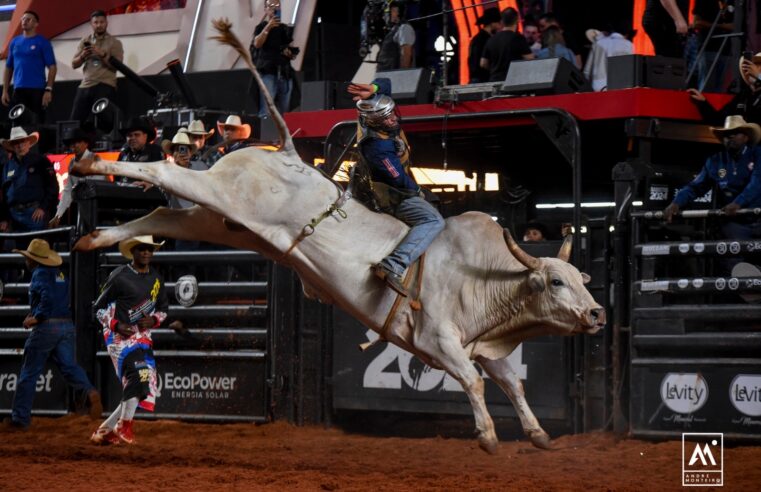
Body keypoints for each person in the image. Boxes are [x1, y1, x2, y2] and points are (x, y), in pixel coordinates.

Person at [348, 78, 445, 297]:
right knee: (433, 220)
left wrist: (373, 88)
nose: (393, 119)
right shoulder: (377, 149)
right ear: (375, 122)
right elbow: (399, 180)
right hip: (391, 198)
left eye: (392, 113)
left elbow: (387, 83)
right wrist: (419, 192)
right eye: (387, 118)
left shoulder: (370, 116)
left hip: (398, 186)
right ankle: (394, 264)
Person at [2, 239, 102, 430]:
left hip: (47, 327)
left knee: (29, 373)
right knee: (70, 366)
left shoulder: (39, 274)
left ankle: (20, 419)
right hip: (66, 326)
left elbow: (47, 298)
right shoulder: (60, 274)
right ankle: (89, 391)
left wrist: (37, 317)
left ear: (33, 260)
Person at [91, 235, 167, 445]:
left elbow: (164, 310)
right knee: (139, 375)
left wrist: (153, 320)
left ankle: (106, 430)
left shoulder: (157, 280)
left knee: (143, 386)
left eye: (149, 250)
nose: (146, 253)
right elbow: (97, 308)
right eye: (142, 249)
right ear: (133, 251)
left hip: (142, 337)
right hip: (118, 338)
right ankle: (124, 426)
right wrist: (116, 324)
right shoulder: (119, 277)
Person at [664, 116, 761, 249]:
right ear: (722, 139)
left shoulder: (758, 154)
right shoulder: (715, 161)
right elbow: (696, 187)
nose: (731, 136)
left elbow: (757, 182)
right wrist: (676, 202)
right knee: (731, 261)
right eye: (726, 134)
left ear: (746, 137)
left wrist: (738, 203)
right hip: (735, 223)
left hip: (758, 215)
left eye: (736, 132)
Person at [69, 10, 124, 123]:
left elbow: (117, 66)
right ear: (91, 24)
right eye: (96, 22)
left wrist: (102, 54)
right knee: (74, 123)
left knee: (102, 123)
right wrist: (83, 56)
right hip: (85, 85)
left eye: (101, 22)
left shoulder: (114, 42)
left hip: (105, 85)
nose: (99, 25)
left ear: (106, 23)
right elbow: (74, 64)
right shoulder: (85, 40)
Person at [1, 10, 57, 123]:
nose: (24, 21)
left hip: (37, 89)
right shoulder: (14, 42)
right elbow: (8, 67)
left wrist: (48, 89)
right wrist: (5, 90)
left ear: (36, 24)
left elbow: (52, 67)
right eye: (23, 19)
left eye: (28, 19)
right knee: (17, 124)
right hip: (19, 89)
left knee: (36, 124)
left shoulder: (42, 42)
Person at [0, 127, 58, 234]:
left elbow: (53, 187)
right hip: (14, 216)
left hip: (35, 214)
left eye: (22, 141)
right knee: (17, 249)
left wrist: (43, 208)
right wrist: (4, 218)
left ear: (28, 143)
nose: (20, 145)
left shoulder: (41, 161)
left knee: (36, 248)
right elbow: (3, 194)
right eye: (16, 143)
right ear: (12, 146)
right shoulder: (8, 166)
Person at [49, 127, 106, 228]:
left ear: (86, 144)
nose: (74, 146)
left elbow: (98, 185)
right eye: (71, 143)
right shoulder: (72, 162)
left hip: (96, 208)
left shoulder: (95, 159)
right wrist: (58, 214)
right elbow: (67, 190)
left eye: (78, 142)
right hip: (81, 207)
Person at [251, 0, 296, 118]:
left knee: (285, 110)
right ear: (265, 9)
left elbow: (292, 51)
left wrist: (289, 53)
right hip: (268, 72)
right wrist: (268, 27)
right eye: (271, 6)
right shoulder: (261, 27)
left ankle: (283, 134)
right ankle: (265, 133)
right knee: (267, 109)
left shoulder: (284, 28)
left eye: (277, 6)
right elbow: (257, 44)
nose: (275, 9)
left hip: (284, 72)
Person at [689, 52, 761, 126]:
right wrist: (702, 102)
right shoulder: (743, 96)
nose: (753, 69)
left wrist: (759, 76)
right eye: (754, 65)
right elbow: (719, 120)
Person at [481, 7, 534, 82]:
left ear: (502, 21)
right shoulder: (518, 38)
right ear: (517, 20)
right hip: (514, 81)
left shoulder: (491, 39)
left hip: (494, 81)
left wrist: (495, 68)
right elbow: (530, 59)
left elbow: (483, 63)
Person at [115, 117, 164, 185]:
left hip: (147, 193)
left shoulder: (156, 151)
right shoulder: (123, 153)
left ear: (145, 136)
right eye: (129, 135)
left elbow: (163, 177)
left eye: (137, 135)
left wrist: (151, 184)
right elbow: (116, 178)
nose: (133, 138)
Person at [583, 26, 634, 92]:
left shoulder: (598, 43)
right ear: (627, 34)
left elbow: (587, 71)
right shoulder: (629, 45)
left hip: (598, 88)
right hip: (621, 88)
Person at [376, 0, 416, 71]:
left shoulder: (404, 28)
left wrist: (401, 77)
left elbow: (406, 54)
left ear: (395, 11)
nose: (383, 17)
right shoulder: (394, 30)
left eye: (386, 13)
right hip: (385, 77)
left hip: (393, 78)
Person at [468, 7, 501, 84]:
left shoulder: (477, 38)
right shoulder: (485, 39)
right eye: (499, 23)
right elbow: (483, 63)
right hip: (482, 79)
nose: (500, 26)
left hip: (476, 78)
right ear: (492, 23)